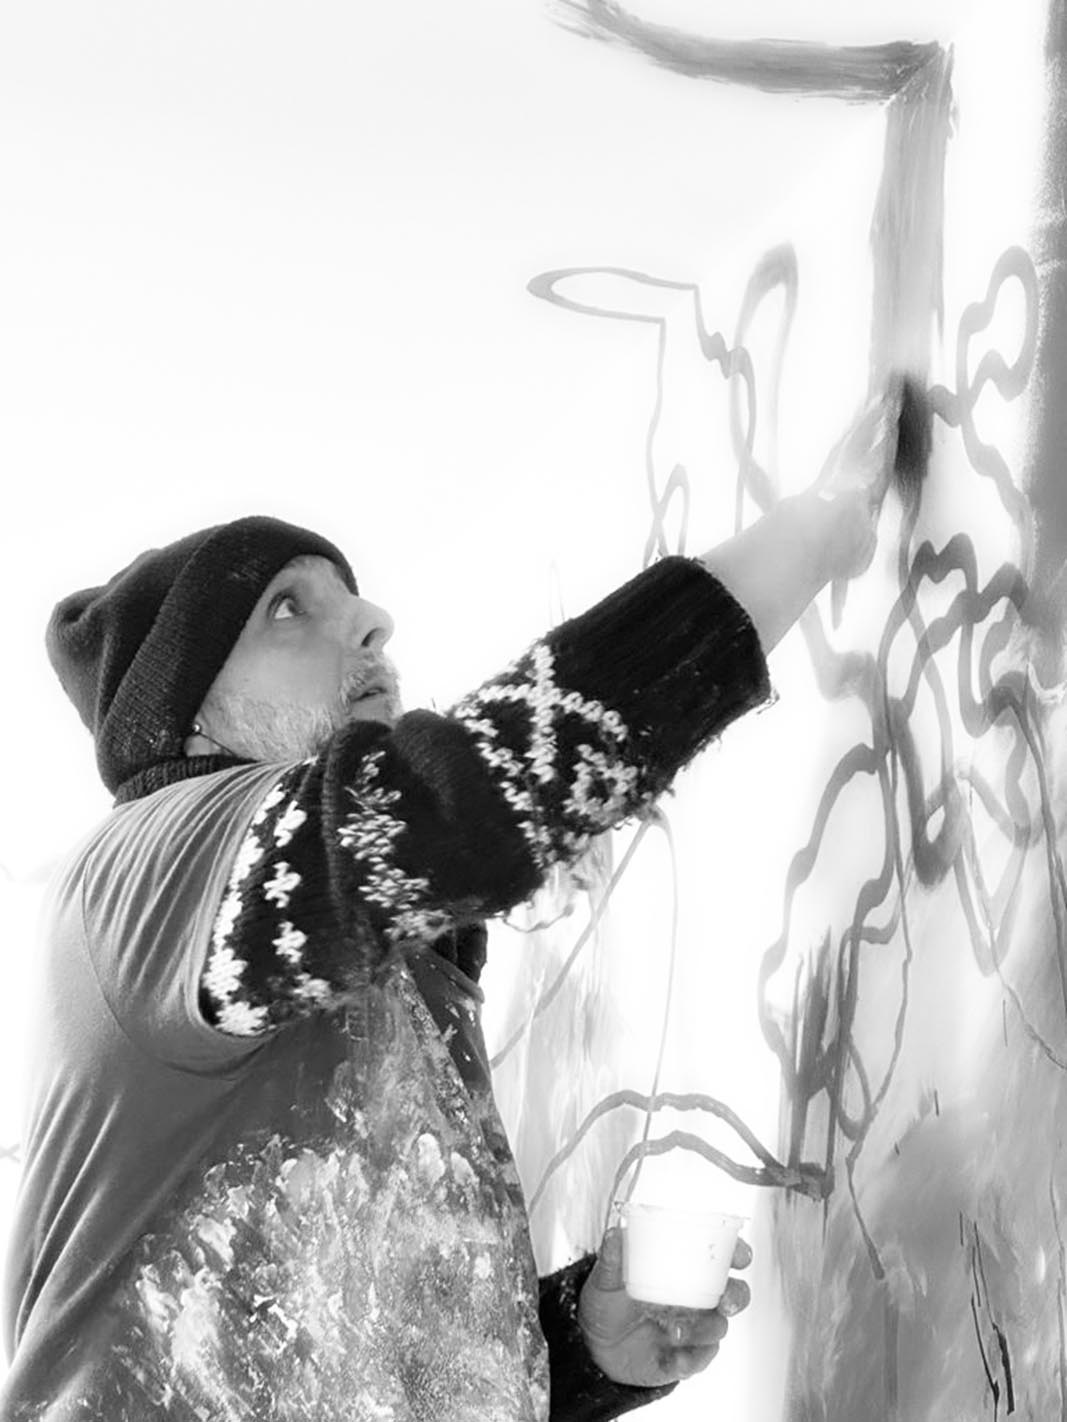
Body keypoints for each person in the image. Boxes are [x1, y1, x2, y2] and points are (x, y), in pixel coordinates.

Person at [0, 403, 893, 1421]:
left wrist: (579, 1347)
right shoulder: (154, 866)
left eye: (352, 599)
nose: (371, 621)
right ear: (187, 718)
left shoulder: (382, 966)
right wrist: (811, 534)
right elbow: (460, 802)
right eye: (287, 610)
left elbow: (361, 1360)